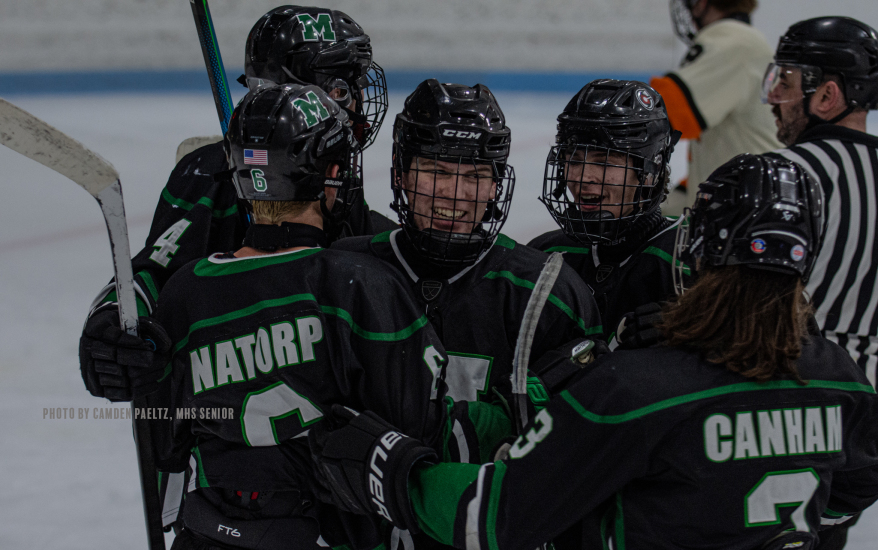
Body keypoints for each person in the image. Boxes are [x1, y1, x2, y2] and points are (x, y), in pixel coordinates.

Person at [308, 153, 878, 550]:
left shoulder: (634, 390)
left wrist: (393, 467)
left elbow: (495, 519)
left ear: (699, 245)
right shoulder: (841, 378)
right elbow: (856, 482)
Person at [133, 84, 502, 550]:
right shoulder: (357, 285)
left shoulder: (185, 290)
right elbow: (421, 429)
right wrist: (509, 417)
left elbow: (166, 434)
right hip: (328, 533)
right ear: (330, 173)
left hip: (208, 532)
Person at [79, 7, 393, 528]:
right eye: (343, 87)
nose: (357, 101)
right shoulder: (212, 176)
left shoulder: (350, 195)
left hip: (334, 489)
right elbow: (149, 275)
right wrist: (113, 328)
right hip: (224, 480)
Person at [332, 78, 603, 407]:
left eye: (475, 176)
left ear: (494, 187)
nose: (454, 193)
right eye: (437, 171)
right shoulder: (342, 273)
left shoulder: (547, 295)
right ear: (401, 174)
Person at [764, 17, 878, 393]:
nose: (774, 99)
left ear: (827, 96)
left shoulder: (782, 172)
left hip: (798, 390)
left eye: (785, 82)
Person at [529, 79, 689, 342]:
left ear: (650, 172)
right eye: (574, 160)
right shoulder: (545, 255)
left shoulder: (688, 261)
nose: (583, 177)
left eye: (604, 162)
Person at [653, 0, 781, 214]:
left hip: (745, 210)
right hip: (749, 196)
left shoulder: (733, 41)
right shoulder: (745, 40)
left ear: (704, 3)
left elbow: (666, 114)